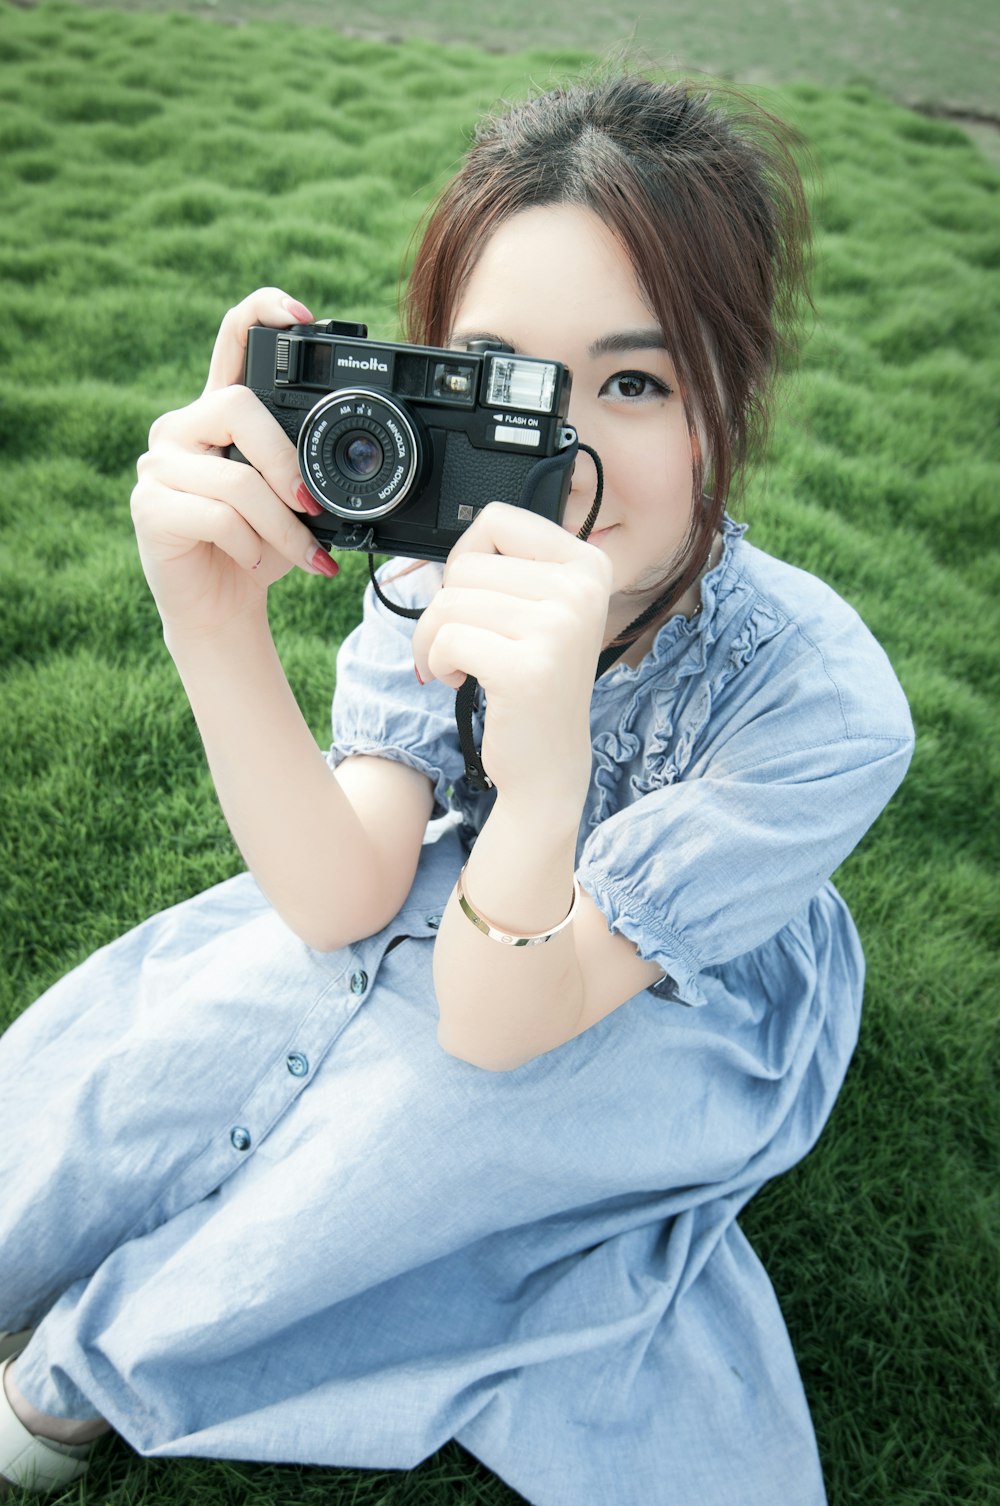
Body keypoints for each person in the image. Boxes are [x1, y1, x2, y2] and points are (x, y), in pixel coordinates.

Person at [0, 73, 913, 1505]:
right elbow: (348, 890)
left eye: (633, 381)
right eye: (504, 381)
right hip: (468, 873)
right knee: (207, 1016)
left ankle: (94, 1367)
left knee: (420, 1132)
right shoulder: (438, 562)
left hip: (681, 987)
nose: (561, 456)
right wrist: (212, 622)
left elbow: (500, 1027)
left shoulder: (824, 705)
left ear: (728, 395)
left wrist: (545, 775)